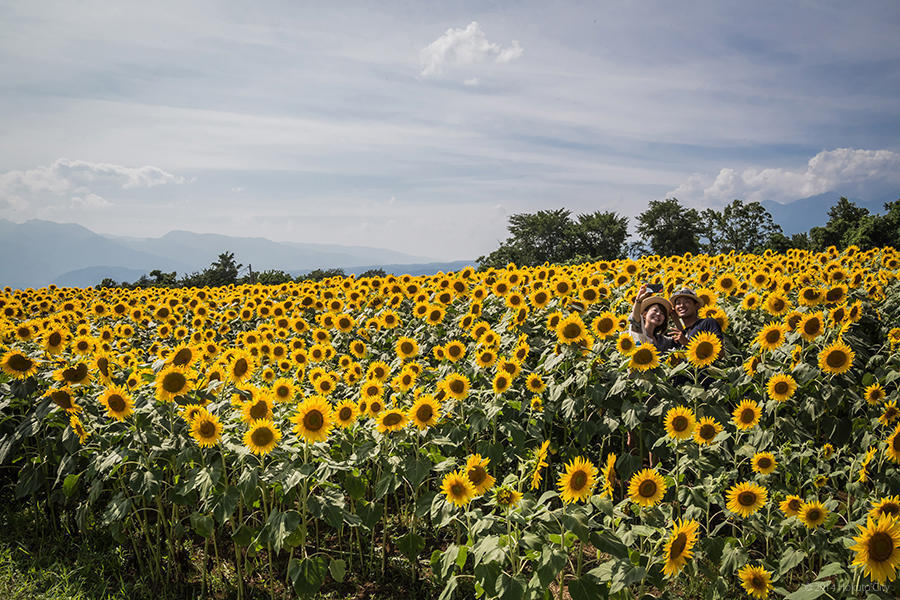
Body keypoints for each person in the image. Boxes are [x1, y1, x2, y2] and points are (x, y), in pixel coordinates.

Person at [630, 284, 676, 351]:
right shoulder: (638, 332)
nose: (658, 314)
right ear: (645, 314)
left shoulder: (662, 341)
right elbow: (635, 319)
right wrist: (639, 300)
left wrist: (676, 319)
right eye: (655, 310)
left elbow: (681, 340)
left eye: (662, 313)